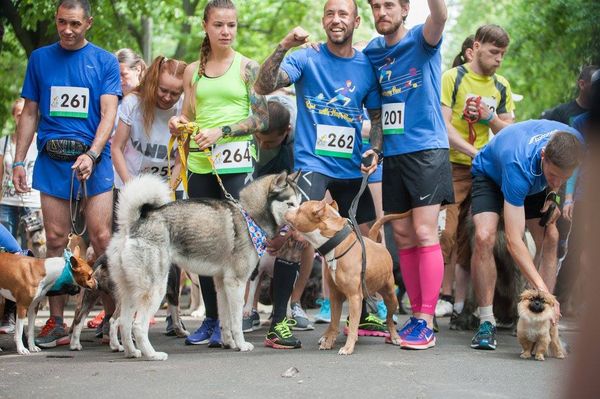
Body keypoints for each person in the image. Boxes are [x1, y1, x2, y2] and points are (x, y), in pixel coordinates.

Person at [255, 0, 384, 348]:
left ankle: (368, 306)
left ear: (356, 20)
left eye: (343, 14)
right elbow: (264, 86)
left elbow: (377, 117)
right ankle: (278, 321)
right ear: (323, 20)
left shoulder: (365, 66)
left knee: (367, 234)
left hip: (350, 166)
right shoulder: (305, 57)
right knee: (295, 233)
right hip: (313, 163)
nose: (336, 19)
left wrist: (376, 148)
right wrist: (283, 45)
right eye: (330, 13)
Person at [14, 0, 121, 348]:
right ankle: (56, 321)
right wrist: (18, 161)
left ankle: (111, 318)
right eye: (62, 22)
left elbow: (109, 114)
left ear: (88, 23)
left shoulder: (105, 61)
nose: (68, 30)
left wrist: (92, 153)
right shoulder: (40, 59)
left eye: (75, 23)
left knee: (102, 238)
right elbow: (29, 112)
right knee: (55, 240)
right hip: (52, 159)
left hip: (94, 159)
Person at [168, 0, 268, 348]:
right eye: (219, 25)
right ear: (206, 27)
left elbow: (262, 119)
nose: (226, 31)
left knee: (236, 247)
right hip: (199, 164)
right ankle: (211, 320)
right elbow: (187, 113)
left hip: (237, 166)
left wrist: (222, 131)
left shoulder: (247, 67)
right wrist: (178, 124)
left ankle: (233, 323)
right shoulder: (192, 70)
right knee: (204, 243)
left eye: (232, 25)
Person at [364, 0, 452, 349]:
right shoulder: (372, 51)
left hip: (428, 149)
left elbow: (440, 15)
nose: (382, 12)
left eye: (389, 6)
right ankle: (415, 315)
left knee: (424, 231)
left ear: (404, 10)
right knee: (401, 235)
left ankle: (426, 321)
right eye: (376, 7)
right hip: (393, 155)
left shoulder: (421, 40)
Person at [469, 120, 584, 350]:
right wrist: (541, 288)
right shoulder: (517, 163)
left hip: (535, 182)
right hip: (491, 175)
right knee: (484, 236)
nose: (558, 182)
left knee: (551, 236)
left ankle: (546, 324)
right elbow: (514, 240)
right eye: (554, 175)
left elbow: (561, 178)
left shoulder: (576, 142)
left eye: (564, 177)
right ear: (543, 156)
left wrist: (555, 194)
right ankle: (486, 321)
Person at [439, 25, 515, 322]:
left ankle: (463, 306)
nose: (499, 59)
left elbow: (509, 131)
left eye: (503, 54)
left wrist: (491, 118)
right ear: (477, 46)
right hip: (451, 166)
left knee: (477, 238)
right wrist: (475, 153)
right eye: (494, 52)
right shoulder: (453, 78)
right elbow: (443, 128)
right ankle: (436, 302)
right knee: (444, 234)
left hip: (484, 172)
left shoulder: (502, 85)